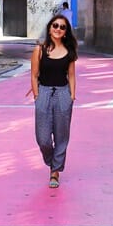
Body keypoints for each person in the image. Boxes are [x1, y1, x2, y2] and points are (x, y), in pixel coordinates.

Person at [30, 13, 77, 188]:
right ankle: (52, 161)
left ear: (65, 32)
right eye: (55, 25)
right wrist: (36, 96)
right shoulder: (39, 50)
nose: (58, 29)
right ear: (50, 28)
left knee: (61, 135)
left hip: (63, 94)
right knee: (43, 138)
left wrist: (71, 97)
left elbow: (71, 75)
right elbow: (34, 75)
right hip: (44, 93)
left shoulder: (69, 52)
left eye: (62, 27)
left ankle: (55, 171)